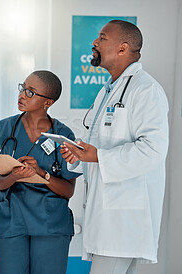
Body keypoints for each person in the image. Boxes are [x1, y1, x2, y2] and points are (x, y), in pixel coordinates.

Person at [60, 20, 169, 274]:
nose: (94, 43)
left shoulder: (146, 90)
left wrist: (98, 156)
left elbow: (153, 150)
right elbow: (98, 143)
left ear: (122, 48)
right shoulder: (108, 91)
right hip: (110, 218)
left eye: (102, 38)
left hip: (124, 220)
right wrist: (77, 155)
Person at [0, 70, 80, 274]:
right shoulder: (3, 129)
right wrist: (13, 176)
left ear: (48, 102)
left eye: (31, 92)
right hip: (10, 222)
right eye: (23, 88)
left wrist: (41, 173)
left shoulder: (63, 135)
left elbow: (68, 191)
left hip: (51, 226)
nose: (22, 95)